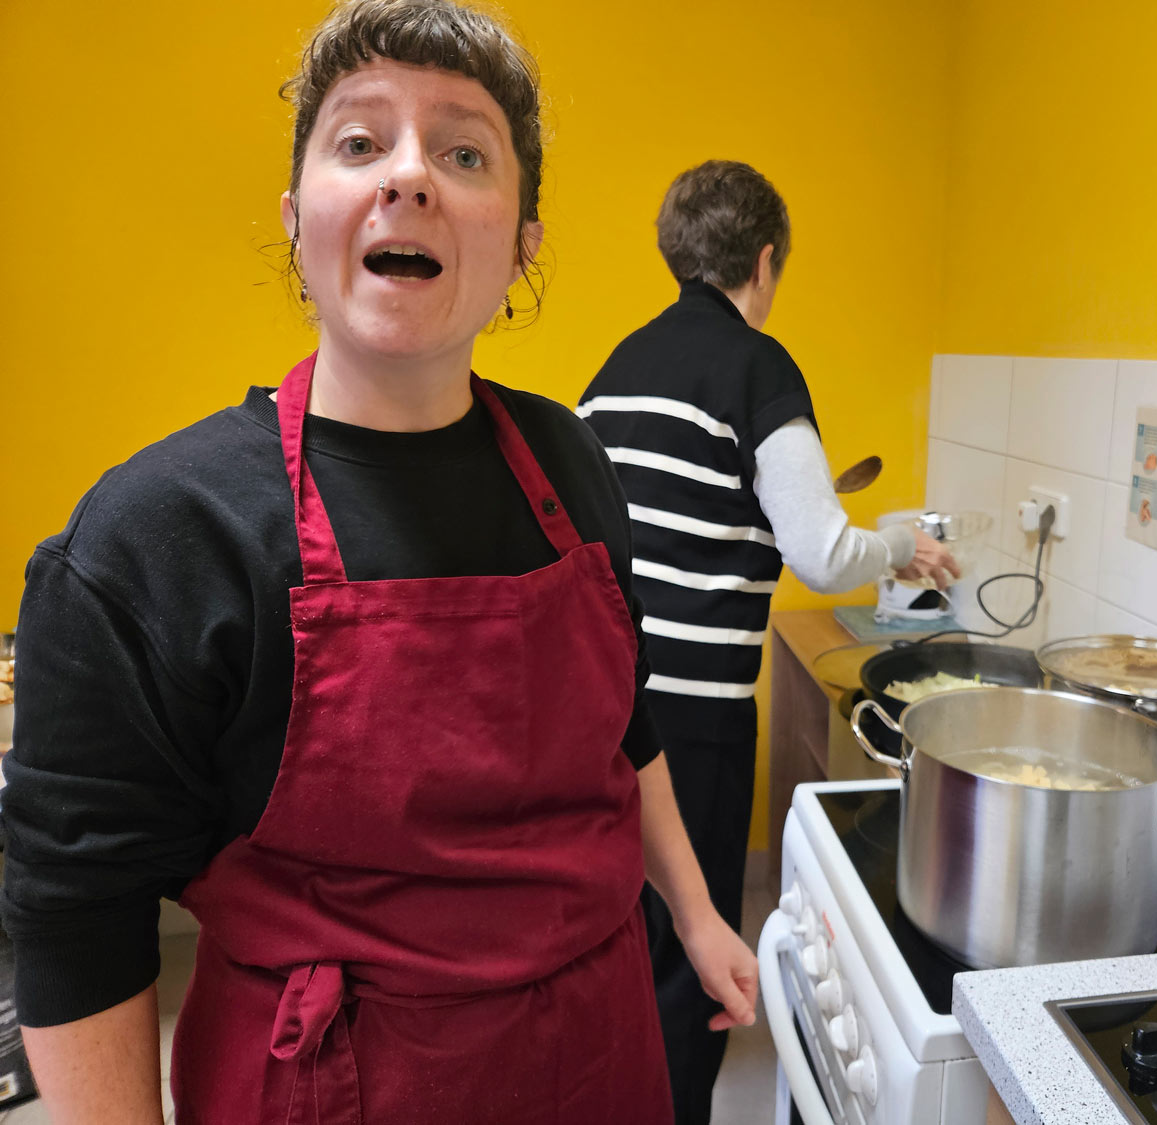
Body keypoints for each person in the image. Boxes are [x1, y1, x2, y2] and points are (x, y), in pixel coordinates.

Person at [0, 3, 756, 1122]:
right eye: (360, 142)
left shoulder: (573, 461)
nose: (408, 176)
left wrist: (693, 915)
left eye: (464, 153)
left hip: (605, 1055)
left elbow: (624, 727)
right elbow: (76, 918)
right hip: (339, 1084)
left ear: (524, 241)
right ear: (297, 217)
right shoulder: (157, 539)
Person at [578, 159, 957, 1125]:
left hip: (604, 702)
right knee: (690, 952)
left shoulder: (616, 369)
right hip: (696, 714)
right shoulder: (758, 366)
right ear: (764, 259)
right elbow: (822, 552)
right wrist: (901, 545)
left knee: (627, 934)